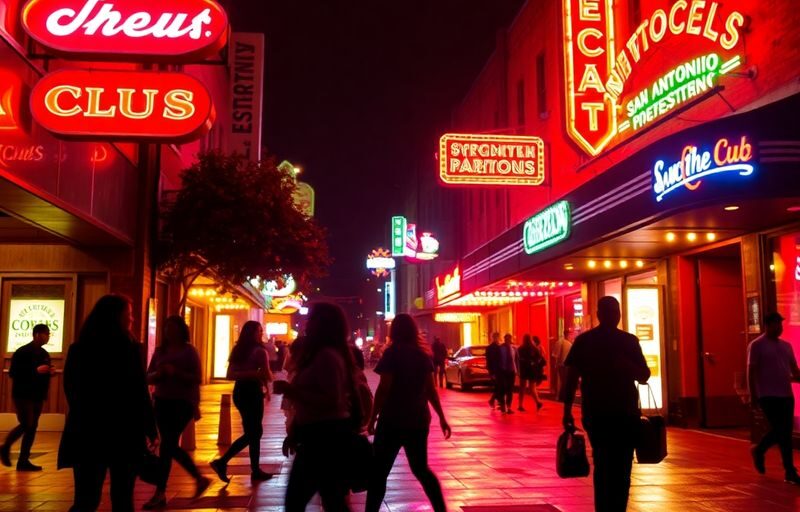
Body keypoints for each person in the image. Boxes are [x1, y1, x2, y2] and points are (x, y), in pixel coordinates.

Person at [58, 294, 157, 512]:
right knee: (122, 496)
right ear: (115, 318)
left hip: (87, 430)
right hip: (123, 432)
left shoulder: (79, 349)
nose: (131, 320)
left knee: (86, 498)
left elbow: (72, 390)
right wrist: (150, 428)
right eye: (128, 315)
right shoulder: (128, 350)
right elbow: (138, 393)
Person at [562, 296, 650, 512]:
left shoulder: (585, 341)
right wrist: (627, 366)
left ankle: (605, 507)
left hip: (598, 411)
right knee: (621, 465)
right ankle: (616, 507)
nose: (614, 316)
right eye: (612, 311)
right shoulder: (628, 341)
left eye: (615, 311)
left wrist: (567, 411)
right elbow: (644, 375)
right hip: (622, 412)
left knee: (603, 462)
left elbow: (571, 378)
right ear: (604, 315)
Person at [366, 314, 451, 512]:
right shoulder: (422, 355)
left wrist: (372, 418)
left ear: (393, 331)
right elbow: (431, 390)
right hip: (418, 420)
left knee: (379, 472)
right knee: (421, 469)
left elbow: (383, 388)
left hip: (392, 421)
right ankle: (441, 508)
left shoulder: (392, 353)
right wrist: (442, 417)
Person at [283, 302, 361, 511]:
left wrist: (292, 392)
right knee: (332, 500)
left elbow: (331, 400)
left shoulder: (327, 356)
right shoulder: (321, 355)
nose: (307, 324)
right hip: (319, 436)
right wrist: (296, 431)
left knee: (299, 500)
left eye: (312, 320)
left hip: (326, 438)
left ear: (322, 325)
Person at [143, 316, 209, 509]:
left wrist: (176, 373)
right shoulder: (159, 351)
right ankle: (198, 478)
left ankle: (160, 492)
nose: (169, 331)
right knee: (169, 446)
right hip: (162, 401)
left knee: (168, 445)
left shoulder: (189, 351)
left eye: (173, 327)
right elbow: (148, 376)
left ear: (181, 330)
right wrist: (159, 374)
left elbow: (197, 377)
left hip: (183, 403)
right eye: (166, 328)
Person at [210, 321, 273, 482]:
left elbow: (230, 374)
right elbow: (267, 375)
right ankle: (223, 462)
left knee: (253, 432)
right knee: (254, 432)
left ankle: (254, 469)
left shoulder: (239, 350)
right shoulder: (260, 351)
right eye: (259, 331)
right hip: (252, 392)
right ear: (253, 333)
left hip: (240, 392)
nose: (261, 333)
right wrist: (257, 375)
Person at [748, 312, 800, 483]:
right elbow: (751, 370)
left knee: (784, 432)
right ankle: (788, 469)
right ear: (767, 325)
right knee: (781, 430)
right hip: (767, 394)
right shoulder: (757, 345)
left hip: (786, 394)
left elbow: (794, 369)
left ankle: (762, 451)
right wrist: (753, 394)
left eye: (781, 325)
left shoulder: (786, 346)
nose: (779, 328)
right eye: (776, 324)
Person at [1, 323, 54, 471]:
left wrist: (49, 371)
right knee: (27, 424)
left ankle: (23, 460)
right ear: (37, 334)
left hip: (37, 395)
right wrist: (36, 370)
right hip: (23, 394)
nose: (48, 336)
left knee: (32, 427)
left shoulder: (44, 353)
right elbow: (14, 373)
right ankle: (5, 447)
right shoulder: (22, 352)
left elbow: (43, 372)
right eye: (46, 333)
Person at [517, 334, 543, 412]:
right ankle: (538, 401)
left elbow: (518, 359)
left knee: (522, 387)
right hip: (532, 369)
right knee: (532, 387)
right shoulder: (534, 348)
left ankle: (520, 405)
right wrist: (534, 363)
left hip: (524, 369)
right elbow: (539, 358)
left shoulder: (521, 348)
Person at [497, 334, 518, 414]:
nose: (508, 340)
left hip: (511, 370)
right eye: (506, 339)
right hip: (503, 370)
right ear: (504, 339)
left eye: (509, 338)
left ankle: (509, 407)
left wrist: (517, 370)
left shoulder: (513, 348)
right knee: (502, 389)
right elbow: (498, 360)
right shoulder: (500, 348)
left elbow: (516, 360)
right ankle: (503, 406)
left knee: (510, 390)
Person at [551, 329, 573, 400]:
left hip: (563, 365)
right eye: (570, 334)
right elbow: (555, 355)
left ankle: (562, 396)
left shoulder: (565, 343)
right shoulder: (562, 343)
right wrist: (555, 365)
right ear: (567, 334)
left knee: (564, 381)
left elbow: (554, 355)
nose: (571, 336)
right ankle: (561, 396)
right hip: (563, 365)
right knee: (564, 381)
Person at [485, 332, 501, 409]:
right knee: (498, 386)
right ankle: (495, 401)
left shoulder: (498, 346)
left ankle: (496, 401)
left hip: (498, 369)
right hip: (494, 370)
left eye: (497, 337)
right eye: (495, 337)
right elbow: (489, 360)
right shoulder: (491, 348)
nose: (497, 339)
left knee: (498, 386)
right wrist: (491, 372)